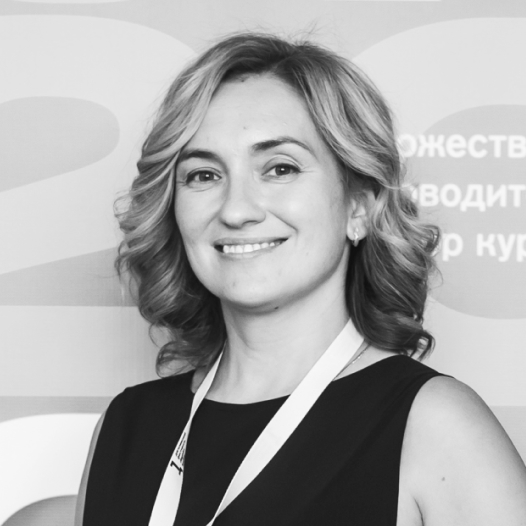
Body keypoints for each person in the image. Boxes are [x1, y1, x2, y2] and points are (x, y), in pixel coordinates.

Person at [75, 32, 526, 526]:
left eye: (280, 168)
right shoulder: (126, 428)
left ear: (359, 207)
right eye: (204, 175)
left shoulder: (435, 426)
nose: (236, 210)